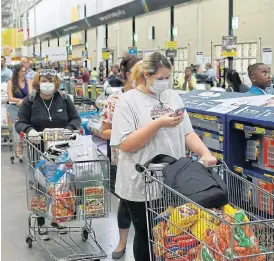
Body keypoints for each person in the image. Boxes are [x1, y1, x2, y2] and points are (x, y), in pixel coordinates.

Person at [110, 52, 217, 261]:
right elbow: (125, 144)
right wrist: (158, 124)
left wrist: (205, 152)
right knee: (146, 233)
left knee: (172, 233)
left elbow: (187, 132)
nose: (164, 82)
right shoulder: (128, 101)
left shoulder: (172, 96)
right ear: (146, 75)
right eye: (159, 78)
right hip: (140, 181)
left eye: (167, 78)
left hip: (172, 179)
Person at [15, 69, 81, 241]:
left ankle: (57, 218)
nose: (47, 83)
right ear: (38, 81)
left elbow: (76, 119)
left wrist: (68, 130)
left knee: (59, 186)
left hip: (61, 151)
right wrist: (29, 131)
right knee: (40, 187)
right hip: (37, 150)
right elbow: (20, 122)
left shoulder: (64, 99)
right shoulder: (30, 101)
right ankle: (41, 221)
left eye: (51, 80)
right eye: (44, 80)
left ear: (56, 82)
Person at [101, 55, 142, 259]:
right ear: (128, 75)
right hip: (123, 160)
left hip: (147, 161)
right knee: (126, 202)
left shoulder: (150, 97)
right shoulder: (114, 100)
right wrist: (125, 135)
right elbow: (105, 131)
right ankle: (122, 242)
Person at [7, 64, 32, 159]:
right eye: (22, 71)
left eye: (25, 71)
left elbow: (30, 95)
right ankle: (18, 149)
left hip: (25, 108)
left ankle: (20, 148)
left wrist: (23, 101)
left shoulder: (28, 81)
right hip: (14, 108)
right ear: (17, 72)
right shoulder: (11, 82)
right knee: (16, 128)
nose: (24, 73)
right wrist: (20, 101)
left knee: (25, 127)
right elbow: (10, 97)